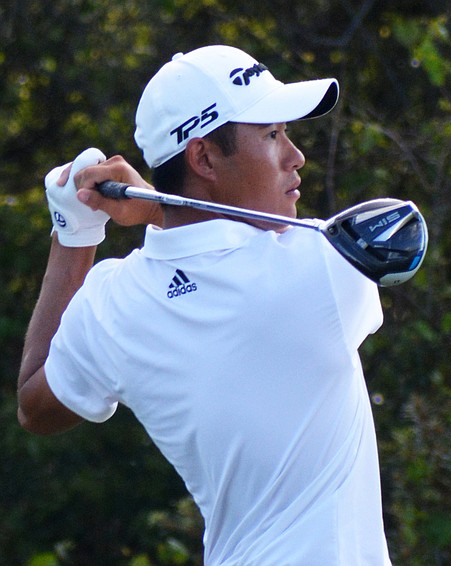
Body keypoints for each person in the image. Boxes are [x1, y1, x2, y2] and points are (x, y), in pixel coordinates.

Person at [17, 45, 392, 565]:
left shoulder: (113, 303)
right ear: (204, 160)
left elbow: (34, 404)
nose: (295, 156)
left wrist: (74, 232)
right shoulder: (322, 268)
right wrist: (155, 209)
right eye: (271, 135)